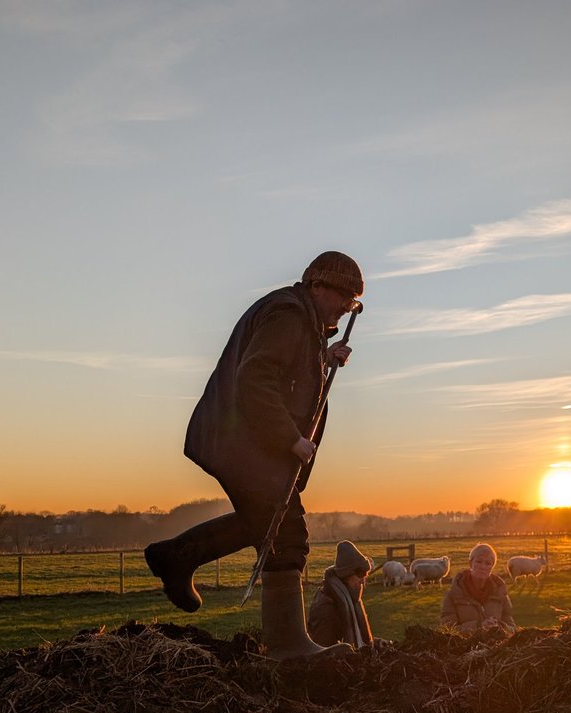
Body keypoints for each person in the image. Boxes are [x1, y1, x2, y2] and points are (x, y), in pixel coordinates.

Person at [144, 251, 363, 659]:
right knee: (286, 531)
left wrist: (323, 356)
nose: (346, 309)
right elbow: (256, 378)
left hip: (244, 444)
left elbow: (285, 368)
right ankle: (288, 647)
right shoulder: (288, 316)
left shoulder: (301, 320)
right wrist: (290, 440)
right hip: (246, 444)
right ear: (318, 286)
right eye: (344, 298)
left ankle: (175, 557)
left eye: (352, 303)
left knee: (263, 521)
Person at [306, 540, 388, 650]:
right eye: (360, 574)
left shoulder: (344, 599)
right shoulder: (327, 610)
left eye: (366, 575)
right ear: (346, 574)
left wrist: (375, 642)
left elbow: (356, 638)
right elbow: (324, 654)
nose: (363, 581)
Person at [439, 543, 516, 634]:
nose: (483, 567)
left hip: (496, 647)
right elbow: (447, 630)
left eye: (488, 563)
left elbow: (512, 629)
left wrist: (499, 626)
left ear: (492, 567)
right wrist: (478, 627)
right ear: (470, 563)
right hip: (464, 647)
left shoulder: (501, 594)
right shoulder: (453, 595)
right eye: (479, 561)